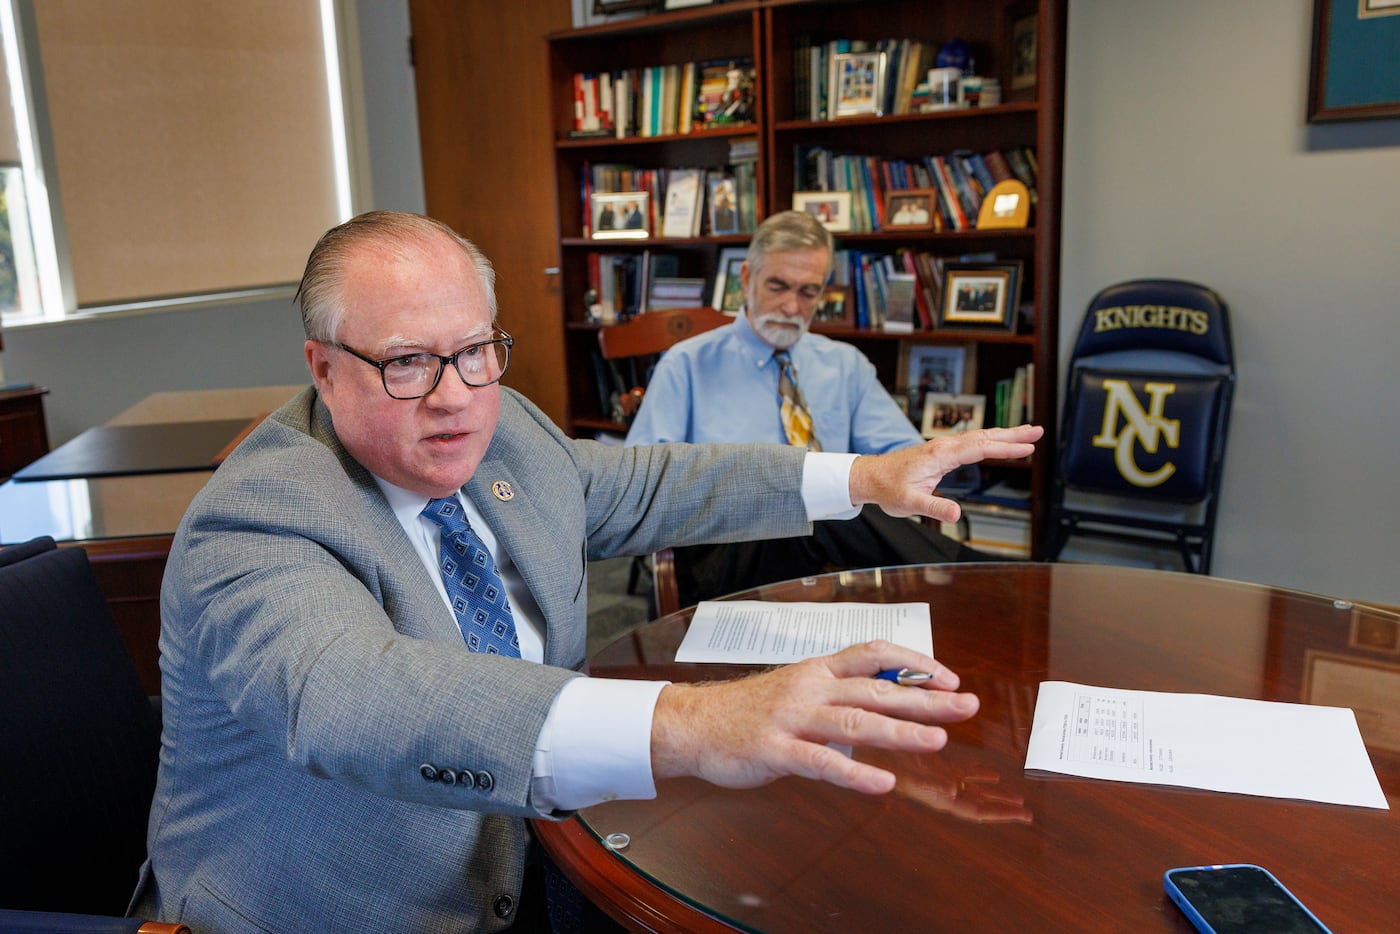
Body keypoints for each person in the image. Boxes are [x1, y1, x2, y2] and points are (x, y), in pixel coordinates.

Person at [132, 210, 1041, 932]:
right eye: (408, 362)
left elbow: (652, 480)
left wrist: (862, 478)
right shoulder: (257, 518)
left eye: (476, 350)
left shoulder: (506, 427)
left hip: (555, 858)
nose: (455, 395)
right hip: (350, 910)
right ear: (323, 370)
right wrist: (699, 721)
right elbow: (356, 697)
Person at [625, 210, 1000, 607]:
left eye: (808, 292)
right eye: (778, 286)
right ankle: (978, 580)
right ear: (747, 279)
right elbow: (639, 486)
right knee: (808, 491)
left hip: (830, 556)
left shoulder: (843, 364)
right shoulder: (687, 365)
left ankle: (969, 584)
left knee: (825, 495)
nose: (791, 306)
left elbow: (904, 459)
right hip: (719, 553)